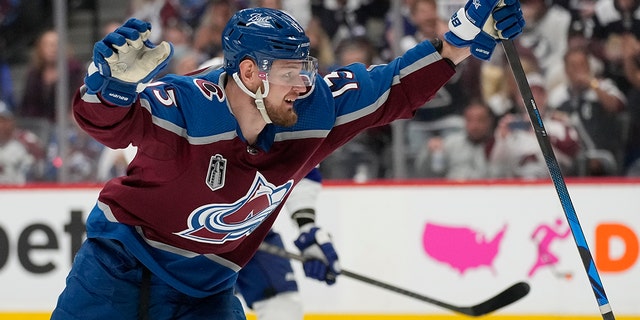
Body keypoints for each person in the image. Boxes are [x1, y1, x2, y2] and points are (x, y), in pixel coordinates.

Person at [51, 3, 524, 319]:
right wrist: (105, 89)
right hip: (121, 265)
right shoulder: (187, 106)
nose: (304, 82)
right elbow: (110, 126)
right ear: (250, 73)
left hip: (208, 287)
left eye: (306, 68)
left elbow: (394, 86)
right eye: (291, 71)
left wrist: (461, 37)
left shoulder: (313, 108)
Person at [414, 100, 497, 179]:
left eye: (480, 120)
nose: (474, 126)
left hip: (486, 191)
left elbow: (504, 175)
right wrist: (429, 152)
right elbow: (424, 173)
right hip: (452, 190)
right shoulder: (451, 143)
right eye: (470, 120)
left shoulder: (498, 146)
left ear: (489, 121)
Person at [0, 100, 34, 185]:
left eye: (3, 120)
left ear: (12, 121)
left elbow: (42, 160)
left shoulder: (25, 138)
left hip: (19, 192)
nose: (1, 125)